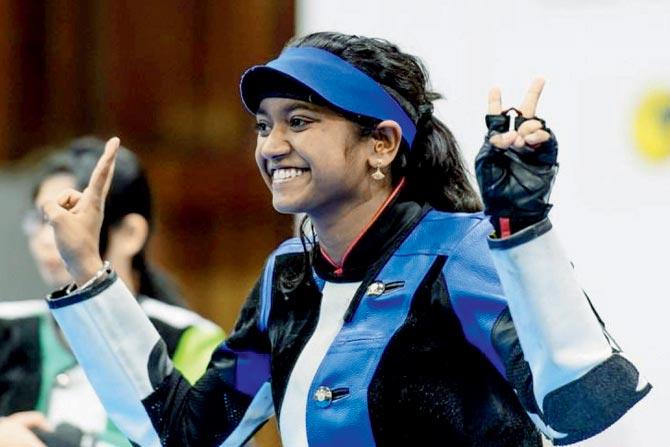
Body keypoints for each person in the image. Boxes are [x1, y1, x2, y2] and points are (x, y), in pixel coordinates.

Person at [40, 33, 648, 446]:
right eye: (263, 126)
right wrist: (88, 270)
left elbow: (583, 406)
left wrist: (523, 228)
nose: (272, 146)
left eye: (300, 122)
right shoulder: (289, 281)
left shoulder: (461, 254)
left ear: (381, 144)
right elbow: (186, 433)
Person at [0, 138, 225, 447]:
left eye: (70, 214)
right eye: (40, 219)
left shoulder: (194, 338)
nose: (45, 237)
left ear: (130, 234)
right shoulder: (7, 327)